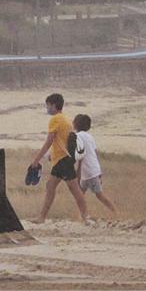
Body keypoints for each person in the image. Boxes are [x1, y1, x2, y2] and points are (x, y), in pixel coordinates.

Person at [28, 93, 88, 223]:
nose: (47, 108)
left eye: (48, 106)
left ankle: (85, 217)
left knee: (74, 189)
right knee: (50, 186)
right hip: (63, 159)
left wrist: (36, 159)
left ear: (54, 105)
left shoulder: (55, 120)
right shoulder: (65, 119)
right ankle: (41, 217)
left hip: (62, 160)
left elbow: (49, 141)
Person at [72, 114, 117, 217]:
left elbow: (80, 155)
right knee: (80, 195)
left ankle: (115, 212)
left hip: (88, 172)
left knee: (99, 195)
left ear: (76, 124)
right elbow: (95, 152)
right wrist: (99, 170)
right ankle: (81, 216)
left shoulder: (78, 136)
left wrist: (78, 172)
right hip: (93, 170)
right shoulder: (89, 136)